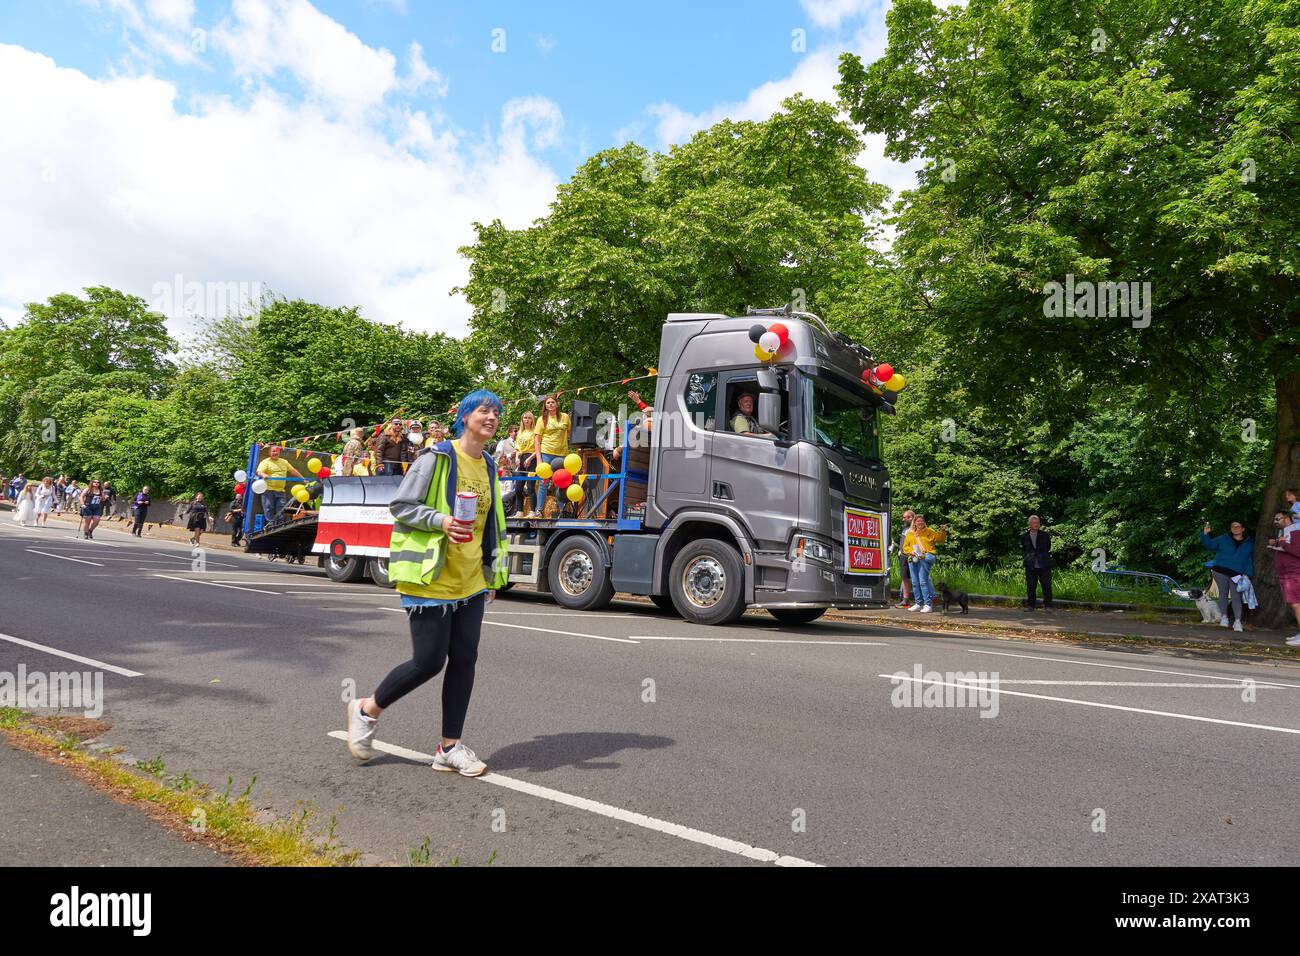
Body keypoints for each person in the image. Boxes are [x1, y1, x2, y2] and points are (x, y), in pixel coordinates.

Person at [345, 389, 511, 777]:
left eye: (496, 412)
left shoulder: (488, 464)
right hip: (432, 576)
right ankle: (366, 710)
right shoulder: (436, 457)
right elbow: (401, 506)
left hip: (470, 579)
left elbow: (491, 525)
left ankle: (449, 747)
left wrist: (491, 573)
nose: (491, 417)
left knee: (465, 660)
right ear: (465, 416)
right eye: (484, 410)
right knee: (429, 661)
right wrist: (442, 521)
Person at [1201, 520, 1253, 633]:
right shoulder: (1223, 538)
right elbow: (1208, 544)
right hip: (1220, 570)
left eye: (1238, 526)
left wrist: (1248, 574)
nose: (1235, 528)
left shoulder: (1249, 543)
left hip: (1237, 574)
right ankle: (1224, 617)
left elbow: (1249, 560)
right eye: (1233, 526)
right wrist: (1205, 534)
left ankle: (1237, 621)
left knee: (1236, 597)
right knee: (1223, 594)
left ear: (1243, 529)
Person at [531, 394, 572, 519]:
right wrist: (539, 458)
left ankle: (562, 511)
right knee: (544, 482)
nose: (550, 404)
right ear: (545, 406)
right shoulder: (541, 419)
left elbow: (570, 434)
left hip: (561, 455)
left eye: (552, 402)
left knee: (561, 482)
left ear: (557, 404)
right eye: (548, 403)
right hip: (546, 453)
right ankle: (539, 510)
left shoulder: (565, 417)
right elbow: (537, 440)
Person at [1265, 510, 1300, 646]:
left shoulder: (1295, 531)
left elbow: (1297, 550)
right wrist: (1276, 544)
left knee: (1297, 603)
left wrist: (1283, 544)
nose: (1275, 522)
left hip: (1294, 573)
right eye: (1275, 519)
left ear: (1287, 518)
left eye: (1277, 519)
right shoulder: (1285, 532)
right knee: (1294, 603)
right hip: (1287, 573)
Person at [902, 514, 948, 613]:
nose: (920, 523)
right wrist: (911, 551)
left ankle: (928, 604)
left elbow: (940, 539)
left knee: (923, 581)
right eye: (918, 521)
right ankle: (918, 603)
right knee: (914, 582)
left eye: (921, 521)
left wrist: (943, 531)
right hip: (913, 558)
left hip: (925, 558)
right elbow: (905, 547)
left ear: (924, 522)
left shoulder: (929, 531)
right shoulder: (910, 533)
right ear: (914, 522)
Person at [256, 445, 303, 529]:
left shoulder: (284, 462)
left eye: (277, 451)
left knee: (281, 508)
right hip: (268, 490)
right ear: (269, 452)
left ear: (279, 452)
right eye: (273, 451)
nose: (275, 453)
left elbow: (293, 471)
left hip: (281, 491)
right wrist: (263, 474)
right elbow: (259, 471)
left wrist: (303, 479)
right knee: (268, 507)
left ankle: (280, 525)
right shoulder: (265, 462)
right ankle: (270, 524)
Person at [1021, 514, 1054, 611]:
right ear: (1029, 524)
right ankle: (1031, 605)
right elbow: (1024, 548)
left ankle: (1048, 605)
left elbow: (1048, 547)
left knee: (1047, 586)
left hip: (1044, 564)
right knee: (1031, 586)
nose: (1036, 525)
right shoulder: (1024, 536)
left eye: (1038, 523)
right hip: (1030, 565)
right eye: (1034, 523)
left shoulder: (1045, 535)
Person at [893, 510, 915, 607]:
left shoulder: (916, 528)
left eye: (905, 517)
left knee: (917, 578)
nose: (903, 519)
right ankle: (906, 600)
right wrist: (900, 551)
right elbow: (902, 541)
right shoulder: (905, 529)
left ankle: (922, 601)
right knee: (904, 577)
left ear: (911, 518)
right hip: (903, 556)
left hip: (913, 555)